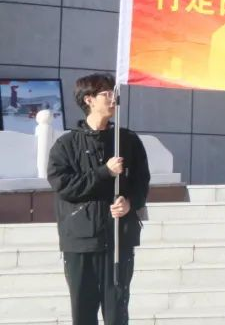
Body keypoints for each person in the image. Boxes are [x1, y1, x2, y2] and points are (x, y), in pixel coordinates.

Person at [47, 74, 150, 325]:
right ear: (89, 99)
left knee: (117, 313)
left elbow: (141, 183)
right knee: (83, 313)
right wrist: (104, 172)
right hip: (80, 241)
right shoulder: (66, 145)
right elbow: (64, 186)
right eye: (106, 94)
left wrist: (130, 203)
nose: (113, 99)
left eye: (114, 93)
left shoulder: (127, 141)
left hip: (118, 239)